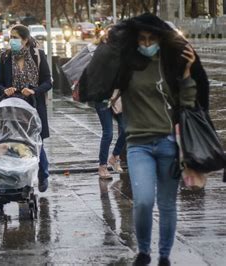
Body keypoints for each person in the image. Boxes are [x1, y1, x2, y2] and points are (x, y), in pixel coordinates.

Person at [107, 14, 208, 266]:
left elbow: (186, 103)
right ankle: (143, 251)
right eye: (142, 39)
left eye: (152, 38)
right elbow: (100, 81)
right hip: (138, 144)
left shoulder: (169, 65)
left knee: (167, 204)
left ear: (160, 40)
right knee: (142, 201)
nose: (147, 43)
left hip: (168, 145)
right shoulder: (128, 66)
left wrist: (186, 73)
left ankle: (164, 256)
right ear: (135, 41)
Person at [0, 24, 52, 192]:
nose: (11, 41)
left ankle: (43, 174)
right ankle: (18, 179)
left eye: (15, 37)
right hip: (12, 107)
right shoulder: (5, 57)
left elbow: (48, 82)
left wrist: (34, 90)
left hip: (33, 106)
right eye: (10, 37)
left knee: (36, 142)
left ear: (25, 40)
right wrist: (5, 90)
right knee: (14, 143)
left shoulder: (38, 56)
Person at [92, 27, 126, 179]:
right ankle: (102, 166)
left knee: (127, 129)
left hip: (118, 98)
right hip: (103, 98)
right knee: (108, 133)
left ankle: (115, 156)